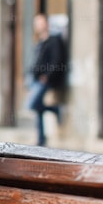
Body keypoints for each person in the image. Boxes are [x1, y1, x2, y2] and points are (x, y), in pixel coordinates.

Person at [27, 13, 67, 146]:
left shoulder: (54, 40)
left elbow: (57, 60)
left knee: (32, 104)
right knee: (38, 110)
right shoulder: (39, 42)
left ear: (46, 23)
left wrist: (48, 76)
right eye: (36, 23)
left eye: (41, 22)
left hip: (44, 80)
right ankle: (41, 138)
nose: (38, 26)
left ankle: (54, 109)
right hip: (35, 78)